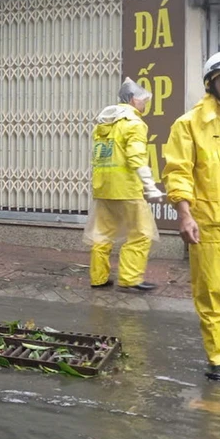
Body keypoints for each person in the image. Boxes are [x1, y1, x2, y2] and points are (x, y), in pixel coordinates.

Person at [164, 50, 220, 381]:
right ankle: (217, 356)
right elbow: (178, 172)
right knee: (212, 294)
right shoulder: (189, 125)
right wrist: (184, 214)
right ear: (210, 84)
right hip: (211, 225)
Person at [85, 77, 163, 291]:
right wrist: (150, 186)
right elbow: (136, 157)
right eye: (142, 100)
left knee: (102, 233)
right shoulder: (134, 124)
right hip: (127, 188)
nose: (145, 104)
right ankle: (130, 278)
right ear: (131, 99)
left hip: (103, 188)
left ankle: (98, 277)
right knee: (142, 233)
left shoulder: (103, 123)